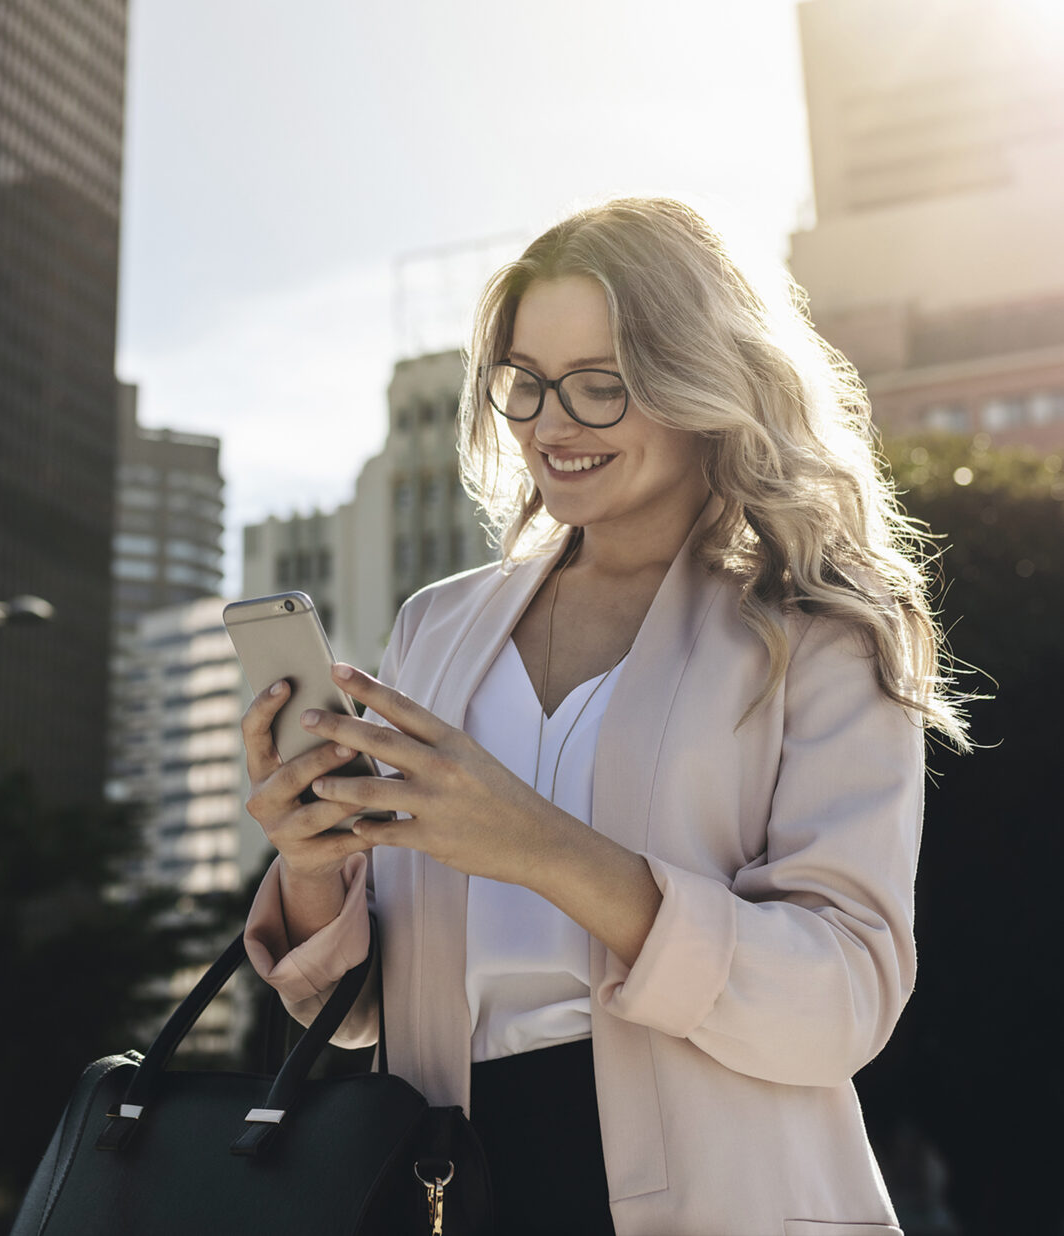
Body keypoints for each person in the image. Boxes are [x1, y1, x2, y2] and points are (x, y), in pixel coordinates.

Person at [238, 197, 969, 1235]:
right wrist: (313, 865)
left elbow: (843, 997)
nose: (549, 424)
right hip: (449, 1183)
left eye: (599, 386)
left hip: (730, 1194)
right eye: (525, 384)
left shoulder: (820, 628)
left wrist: (546, 850)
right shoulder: (437, 627)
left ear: (700, 382)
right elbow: (359, 1017)